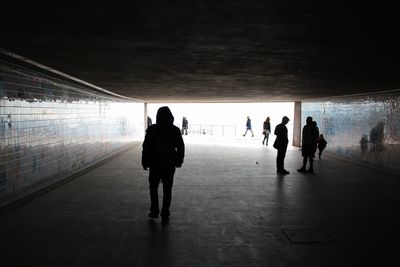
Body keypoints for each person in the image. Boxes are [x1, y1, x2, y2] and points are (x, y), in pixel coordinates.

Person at [142, 106, 185, 223]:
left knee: (153, 188)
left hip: (155, 163)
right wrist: (179, 160)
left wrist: (144, 161)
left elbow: (146, 147)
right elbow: (180, 146)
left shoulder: (152, 129)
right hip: (169, 163)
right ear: (171, 117)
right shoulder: (175, 130)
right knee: (167, 189)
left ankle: (154, 211)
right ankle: (165, 212)